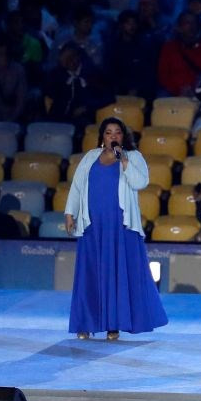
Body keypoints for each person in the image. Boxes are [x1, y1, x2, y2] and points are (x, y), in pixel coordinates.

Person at [64, 117, 169, 340]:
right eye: (109, 132)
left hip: (120, 226)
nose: (113, 136)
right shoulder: (90, 157)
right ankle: (86, 323)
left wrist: (124, 161)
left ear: (123, 136)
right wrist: (69, 213)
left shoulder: (134, 157)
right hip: (93, 225)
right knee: (91, 274)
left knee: (117, 275)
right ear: (102, 136)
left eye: (117, 132)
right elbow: (77, 186)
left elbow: (140, 183)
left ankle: (114, 325)